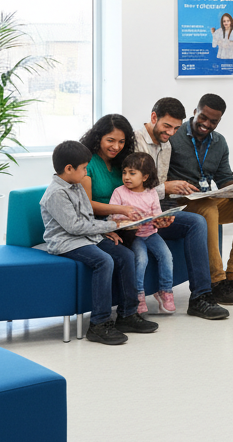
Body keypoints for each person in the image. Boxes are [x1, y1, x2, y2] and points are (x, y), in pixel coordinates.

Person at [41, 140, 158, 345]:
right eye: (84, 168)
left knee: (125, 255)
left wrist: (105, 231)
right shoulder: (56, 193)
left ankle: (127, 315)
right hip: (67, 242)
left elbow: (86, 218)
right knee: (104, 261)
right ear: (69, 169)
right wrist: (109, 227)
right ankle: (99, 323)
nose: (87, 172)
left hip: (85, 236)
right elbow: (75, 227)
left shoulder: (75, 185)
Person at [133, 97, 229, 321]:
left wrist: (165, 205)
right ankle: (207, 290)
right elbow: (134, 188)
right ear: (153, 117)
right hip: (137, 216)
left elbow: (158, 190)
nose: (171, 133)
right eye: (167, 126)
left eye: (176, 128)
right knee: (199, 218)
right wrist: (165, 188)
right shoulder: (135, 141)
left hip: (157, 212)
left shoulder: (166, 144)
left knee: (196, 222)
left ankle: (201, 298)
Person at [167, 93, 233, 307]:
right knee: (209, 208)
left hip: (205, 198)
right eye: (203, 117)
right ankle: (216, 282)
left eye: (213, 121)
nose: (206, 124)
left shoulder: (219, 142)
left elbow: (224, 179)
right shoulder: (173, 136)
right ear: (195, 112)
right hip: (179, 202)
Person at [109, 152, 175, 315]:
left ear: (145, 177)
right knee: (141, 259)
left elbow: (157, 214)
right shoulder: (119, 192)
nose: (127, 177)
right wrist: (126, 218)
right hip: (134, 237)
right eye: (125, 172)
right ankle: (139, 295)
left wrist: (161, 221)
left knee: (166, 255)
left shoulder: (151, 192)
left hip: (151, 234)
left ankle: (165, 290)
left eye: (132, 173)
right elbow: (113, 216)